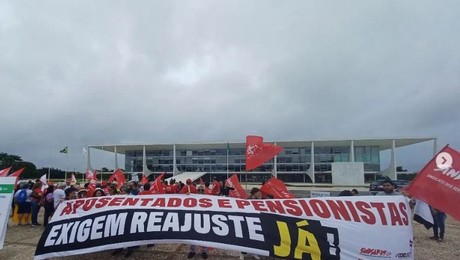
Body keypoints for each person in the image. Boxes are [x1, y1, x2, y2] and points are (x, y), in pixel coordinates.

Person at [187, 185, 208, 259]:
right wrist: (185, 196)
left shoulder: (208, 199)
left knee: (205, 237)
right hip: (194, 219)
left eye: (202, 190)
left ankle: (204, 251)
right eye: (199, 190)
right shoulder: (193, 197)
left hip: (204, 220)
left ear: (204, 191)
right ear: (196, 191)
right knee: (193, 236)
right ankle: (192, 251)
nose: (200, 191)